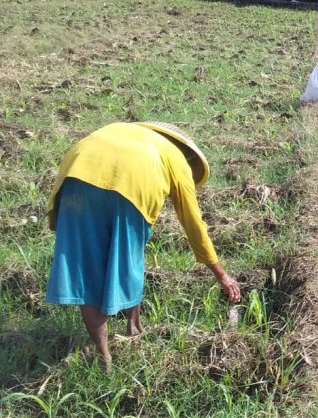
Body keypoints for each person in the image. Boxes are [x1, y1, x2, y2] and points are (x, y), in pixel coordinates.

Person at [45, 121, 241, 371]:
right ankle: (133, 329)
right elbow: (193, 223)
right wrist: (221, 274)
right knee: (129, 260)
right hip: (130, 188)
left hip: (75, 178)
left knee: (86, 269)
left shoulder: (121, 129)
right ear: (188, 155)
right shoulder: (175, 157)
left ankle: (105, 356)